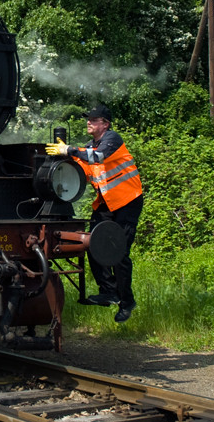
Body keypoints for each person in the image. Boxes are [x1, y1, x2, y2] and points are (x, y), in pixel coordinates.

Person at [46, 105, 143, 323]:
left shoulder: (112, 139)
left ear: (105, 124)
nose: (89, 122)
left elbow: (96, 157)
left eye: (94, 119)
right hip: (106, 204)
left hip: (127, 202)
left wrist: (70, 150)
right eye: (88, 119)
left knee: (118, 253)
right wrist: (62, 158)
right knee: (92, 244)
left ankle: (127, 302)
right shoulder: (90, 146)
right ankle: (108, 292)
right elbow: (82, 164)